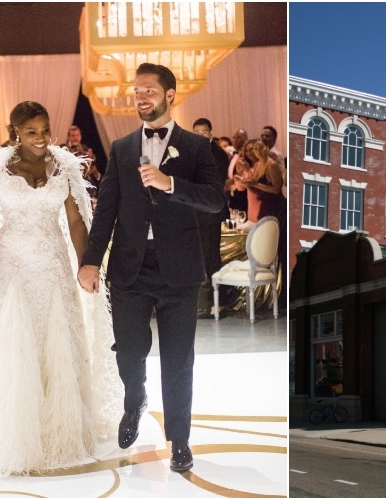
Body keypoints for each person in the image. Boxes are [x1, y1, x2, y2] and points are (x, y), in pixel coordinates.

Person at [0, 101, 122, 475]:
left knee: (55, 341)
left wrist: (86, 264)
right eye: (32, 132)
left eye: (45, 129)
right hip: (11, 265)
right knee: (17, 344)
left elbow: (76, 222)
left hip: (54, 264)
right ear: (16, 133)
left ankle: (59, 428)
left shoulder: (65, 165)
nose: (41, 138)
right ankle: (17, 433)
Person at [77, 63, 224, 473]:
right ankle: (134, 400)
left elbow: (215, 200)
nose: (141, 97)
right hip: (129, 268)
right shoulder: (122, 148)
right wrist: (91, 260)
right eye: (136, 91)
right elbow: (106, 208)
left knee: (178, 359)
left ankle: (179, 439)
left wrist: (169, 183)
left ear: (170, 94)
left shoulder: (196, 148)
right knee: (129, 352)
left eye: (149, 91)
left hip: (179, 269)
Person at [192, 117, 230, 318]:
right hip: (196, 212)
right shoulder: (190, 151)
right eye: (196, 132)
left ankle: (218, 302)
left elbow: (215, 182)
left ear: (210, 133)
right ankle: (204, 302)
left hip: (211, 212)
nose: (200, 135)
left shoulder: (218, 154)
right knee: (199, 258)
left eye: (203, 132)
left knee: (211, 257)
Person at [241, 141, 284, 223]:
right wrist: (247, 185)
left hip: (275, 205)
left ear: (267, 148)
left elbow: (277, 189)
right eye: (256, 149)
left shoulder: (271, 164)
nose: (258, 151)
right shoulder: (257, 165)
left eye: (261, 148)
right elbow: (255, 190)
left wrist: (256, 184)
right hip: (263, 205)